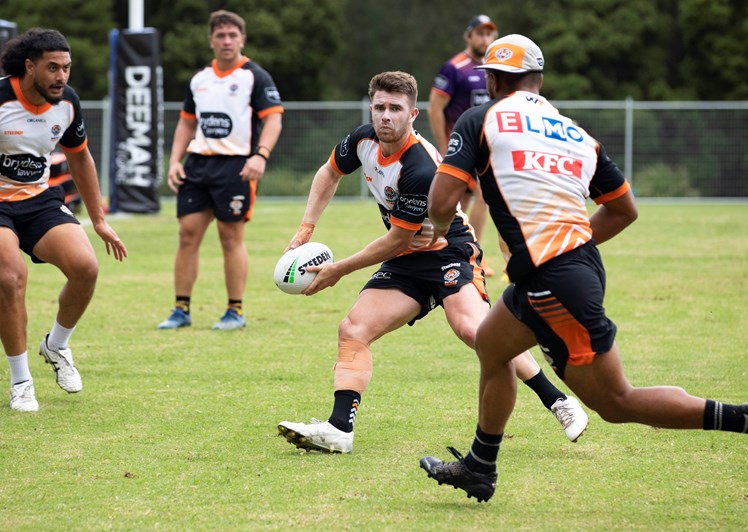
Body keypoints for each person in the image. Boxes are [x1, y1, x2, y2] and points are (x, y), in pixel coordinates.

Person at [419, 34, 748, 502]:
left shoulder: (480, 118)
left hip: (553, 279)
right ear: (539, 81)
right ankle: (480, 467)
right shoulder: (577, 135)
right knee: (491, 344)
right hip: (569, 269)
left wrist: (439, 230)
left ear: (494, 80)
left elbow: (442, 200)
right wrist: (570, 243)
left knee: (616, 402)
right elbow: (625, 209)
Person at [276, 71, 587, 454]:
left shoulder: (420, 166)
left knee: (476, 333)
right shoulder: (362, 140)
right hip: (406, 260)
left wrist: (339, 269)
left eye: (395, 109)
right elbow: (329, 173)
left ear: (413, 114)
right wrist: (307, 226)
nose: (385, 116)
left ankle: (559, 402)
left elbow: (397, 238)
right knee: (353, 329)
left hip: (448, 252)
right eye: (379, 107)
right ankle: (340, 429)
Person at [0, 28, 127, 412]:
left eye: (66, 68)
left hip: (38, 200)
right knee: (9, 276)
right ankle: (21, 381)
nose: (61, 76)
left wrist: (100, 219)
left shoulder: (67, 103)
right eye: (52, 67)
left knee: (86, 267)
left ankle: (55, 346)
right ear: (29, 66)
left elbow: (80, 158)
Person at [158, 10, 283, 330]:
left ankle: (235, 311)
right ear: (211, 40)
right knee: (187, 236)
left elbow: (273, 119)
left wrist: (261, 156)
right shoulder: (200, 79)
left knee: (230, 238)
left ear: (242, 39)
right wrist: (175, 161)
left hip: (236, 167)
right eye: (220, 35)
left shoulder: (255, 76)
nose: (226, 41)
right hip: (198, 165)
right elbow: (186, 124)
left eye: (232, 35)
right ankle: (180, 309)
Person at [428, 15, 498, 275]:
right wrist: (446, 147)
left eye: (490, 34)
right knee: (460, 201)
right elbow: (435, 109)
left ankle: (469, 251)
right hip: (462, 148)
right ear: (468, 36)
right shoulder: (455, 67)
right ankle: (461, 250)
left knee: (479, 196)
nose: (485, 39)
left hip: (486, 148)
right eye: (480, 33)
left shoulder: (494, 68)